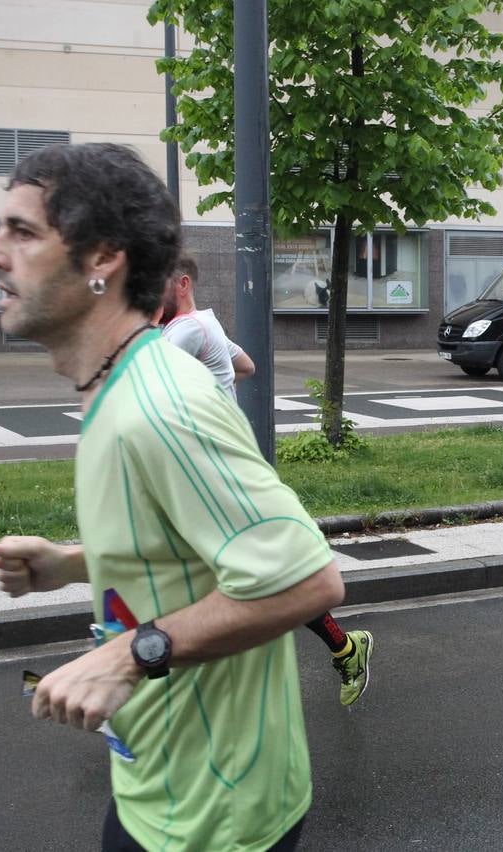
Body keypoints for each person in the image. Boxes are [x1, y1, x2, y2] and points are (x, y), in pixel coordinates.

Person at [0, 143, 345, 852]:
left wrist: (126, 657)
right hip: (158, 785)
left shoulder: (160, 405)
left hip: (214, 818)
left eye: (22, 232)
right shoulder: (115, 391)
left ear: (101, 259)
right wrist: (70, 562)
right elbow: (181, 548)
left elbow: (307, 578)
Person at [159, 255, 374, 707]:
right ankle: (345, 648)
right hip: (211, 477)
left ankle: (145, 687)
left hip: (218, 480)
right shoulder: (206, 325)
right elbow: (245, 366)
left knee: (250, 580)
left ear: (180, 284)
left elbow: (144, 384)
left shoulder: (184, 331)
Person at [159, 254, 254, 399]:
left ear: (183, 284)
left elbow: (152, 386)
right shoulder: (206, 323)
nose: (150, 295)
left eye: (157, 286)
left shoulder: (190, 328)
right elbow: (246, 366)